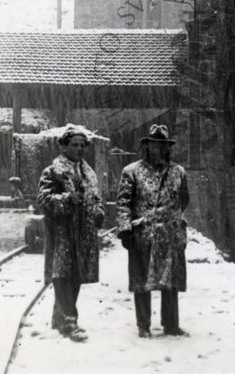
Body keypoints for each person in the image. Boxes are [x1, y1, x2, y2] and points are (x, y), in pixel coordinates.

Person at [116, 124, 189, 338]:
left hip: (170, 233)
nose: (158, 150)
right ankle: (143, 325)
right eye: (154, 146)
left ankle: (171, 324)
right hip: (142, 234)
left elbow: (184, 199)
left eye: (162, 146)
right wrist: (125, 230)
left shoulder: (178, 172)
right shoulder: (131, 172)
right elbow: (123, 203)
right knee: (142, 282)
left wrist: (170, 219)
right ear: (146, 147)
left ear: (168, 148)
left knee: (170, 281)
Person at [37, 124, 104, 342]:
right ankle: (69, 322)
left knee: (75, 277)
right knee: (62, 276)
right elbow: (43, 200)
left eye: (82, 145)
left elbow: (96, 199)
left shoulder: (89, 173)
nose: (79, 149)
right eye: (74, 145)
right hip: (62, 234)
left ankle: (60, 318)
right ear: (63, 147)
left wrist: (99, 212)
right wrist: (66, 199)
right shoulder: (52, 172)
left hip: (83, 234)